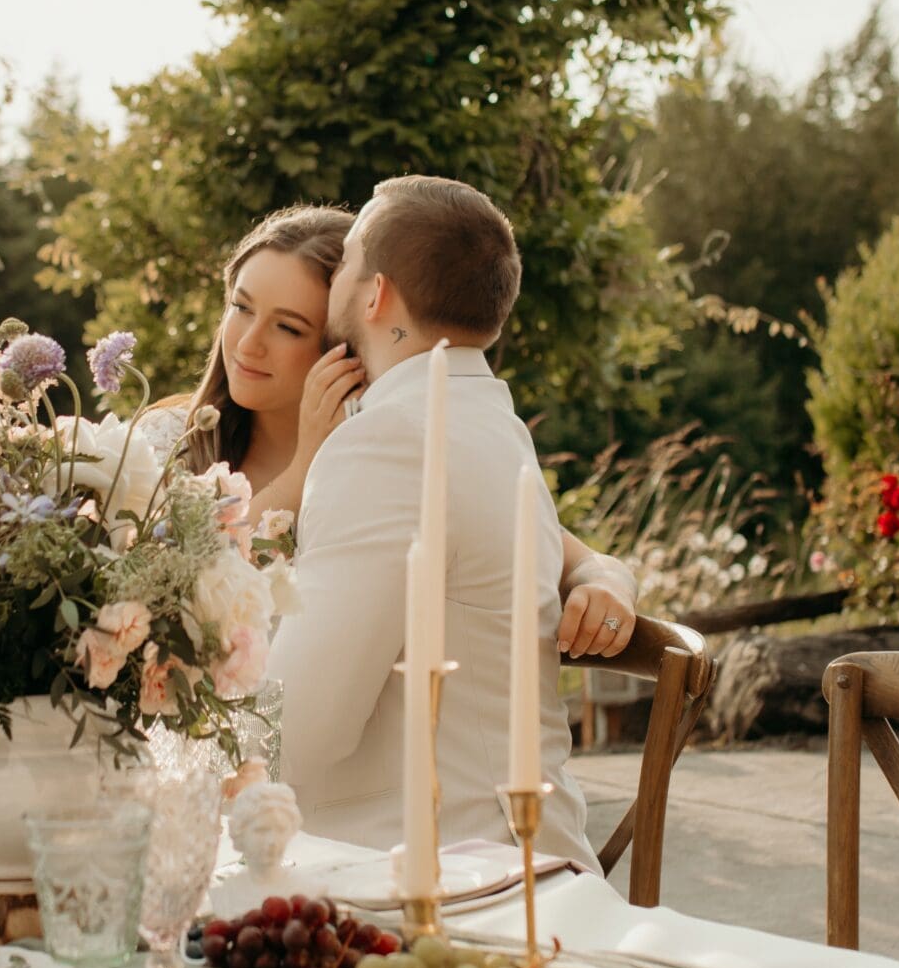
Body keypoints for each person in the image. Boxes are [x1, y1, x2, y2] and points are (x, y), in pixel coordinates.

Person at [263, 176, 621, 870]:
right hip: (527, 849)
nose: (337, 270)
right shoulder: (495, 423)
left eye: (352, 254)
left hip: (441, 875)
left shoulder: (387, 442)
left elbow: (297, 730)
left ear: (376, 294)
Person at [171, 204, 639, 664]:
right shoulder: (169, 443)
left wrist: (607, 586)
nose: (250, 342)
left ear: (344, 346)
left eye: (288, 328)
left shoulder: (384, 462)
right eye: (241, 307)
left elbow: (579, 557)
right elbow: (174, 592)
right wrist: (301, 470)